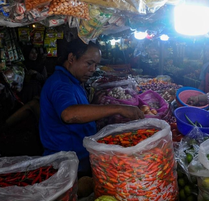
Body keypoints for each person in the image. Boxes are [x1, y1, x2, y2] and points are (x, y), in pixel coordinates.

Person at [39, 39, 144, 175]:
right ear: (71, 58)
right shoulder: (61, 84)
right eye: (89, 63)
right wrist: (119, 108)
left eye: (96, 65)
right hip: (66, 163)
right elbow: (69, 114)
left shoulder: (73, 81)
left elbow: (79, 107)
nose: (93, 69)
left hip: (78, 157)